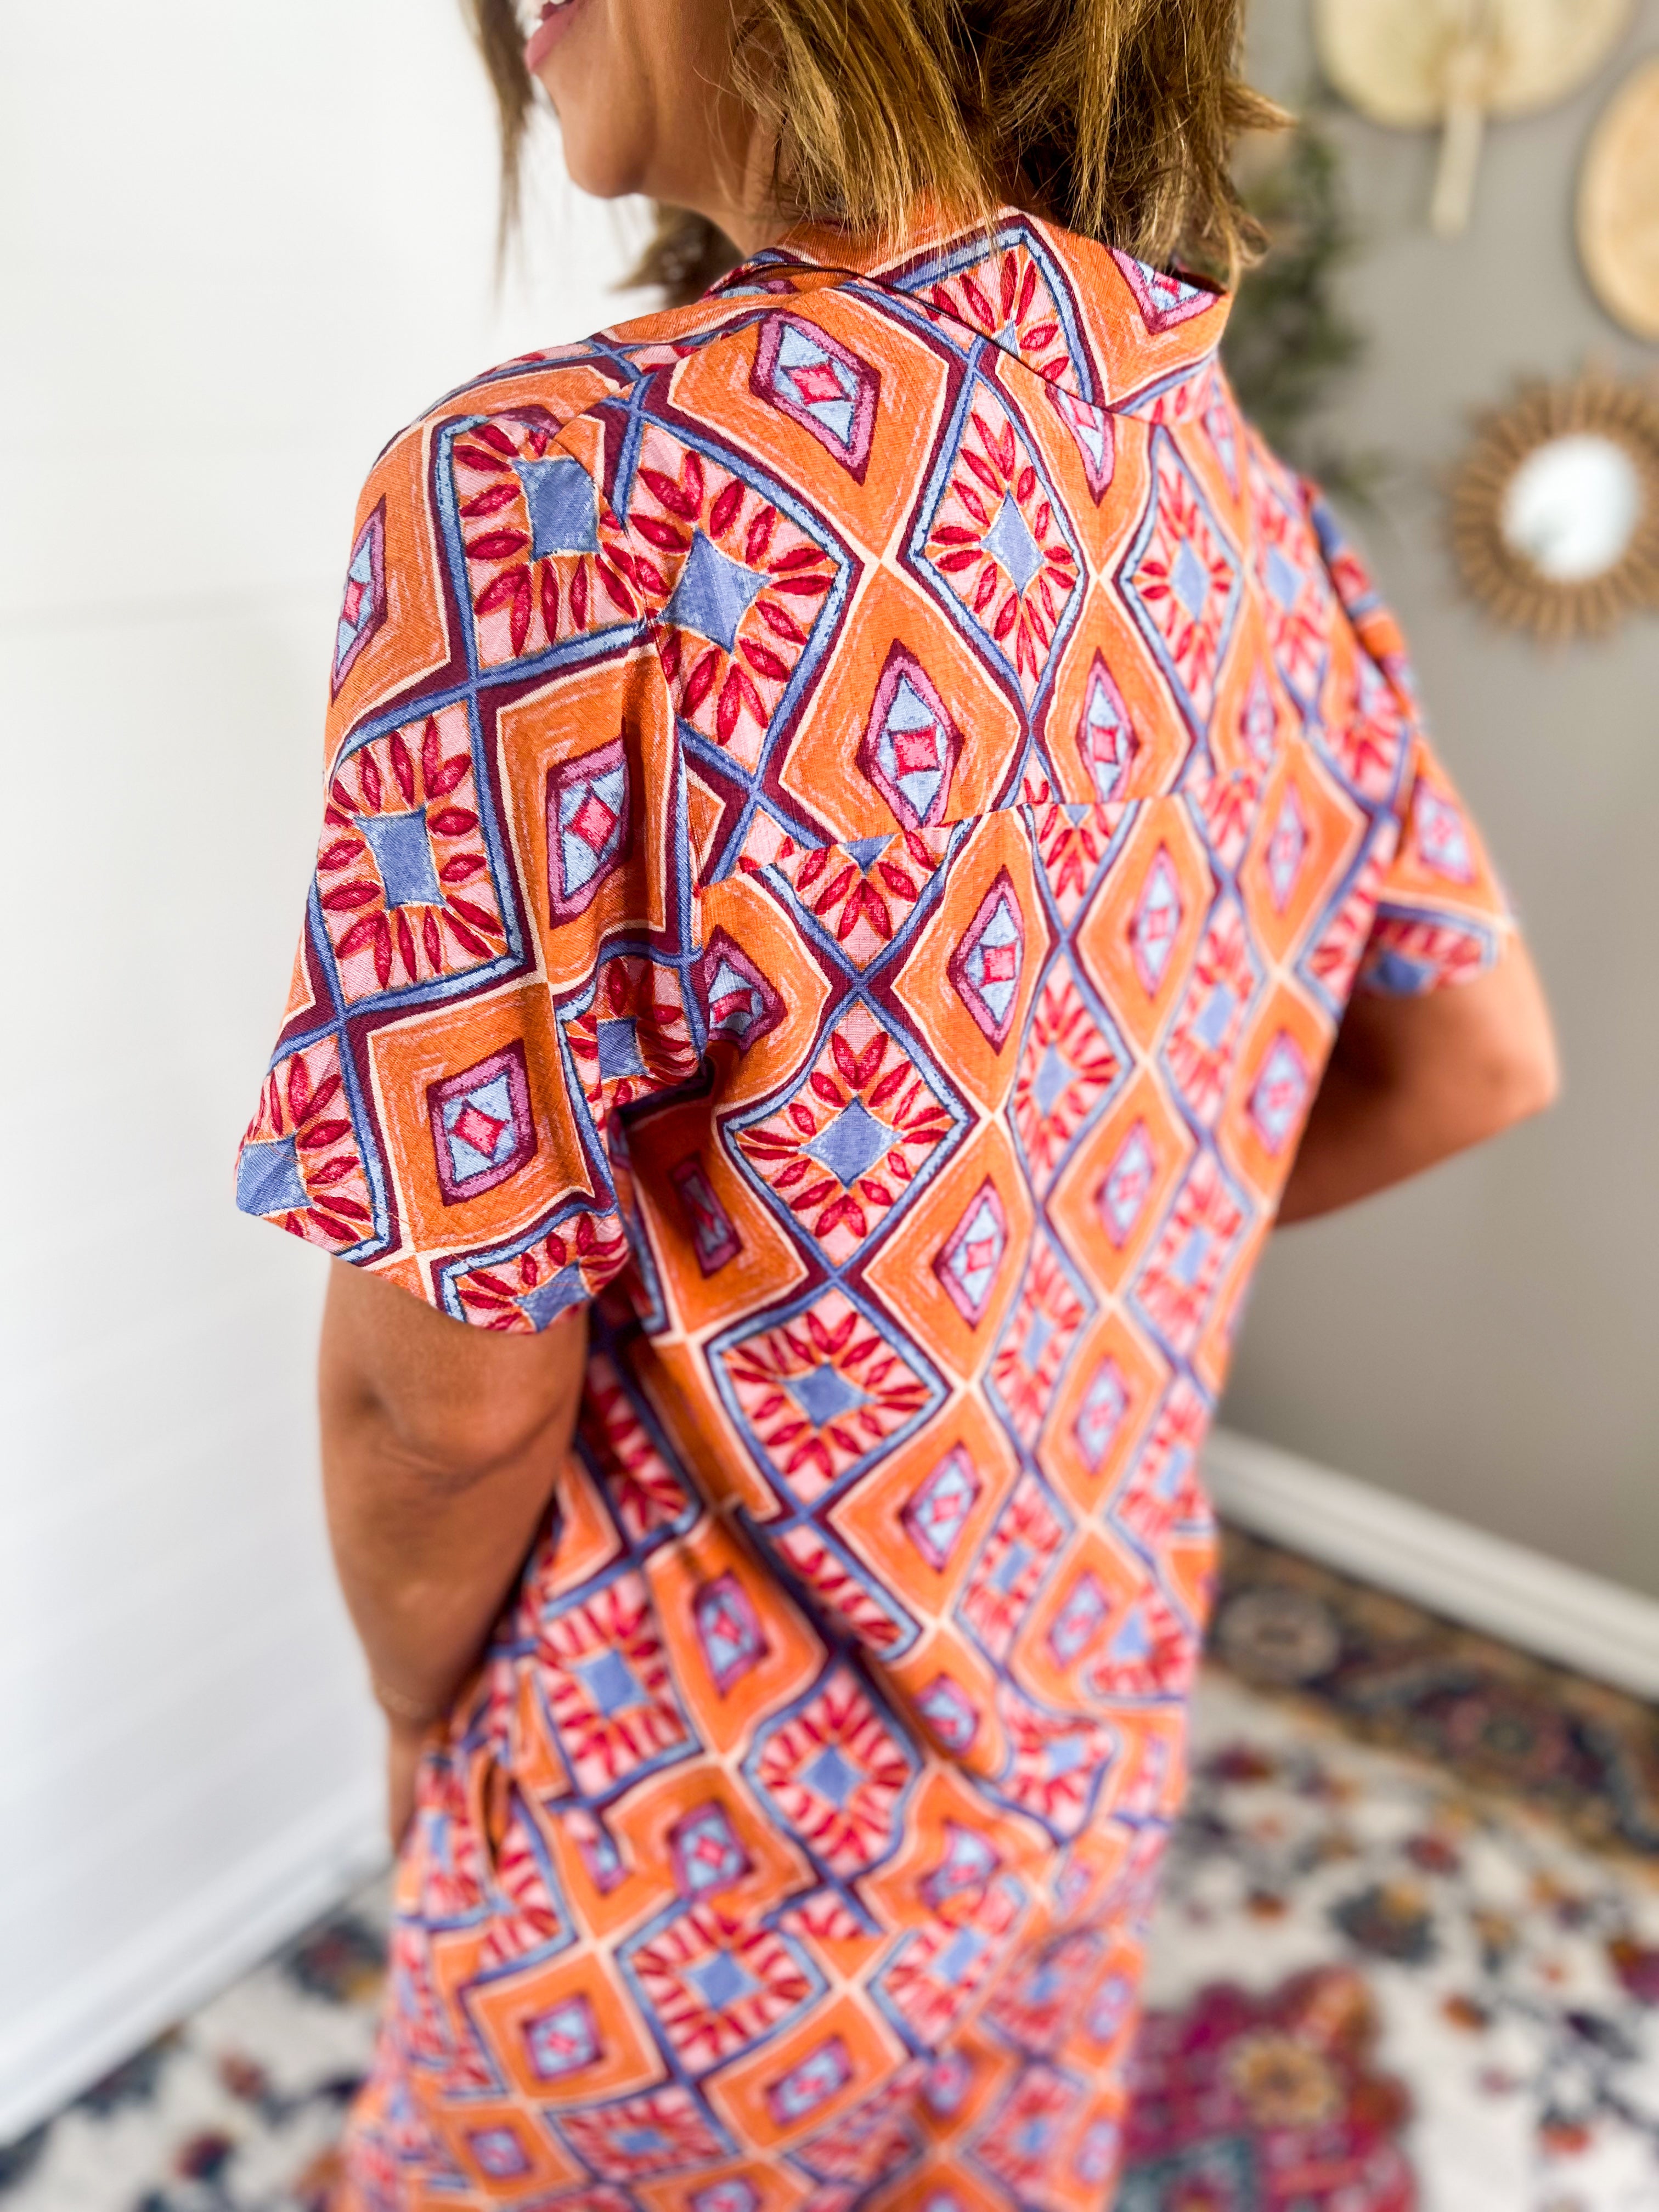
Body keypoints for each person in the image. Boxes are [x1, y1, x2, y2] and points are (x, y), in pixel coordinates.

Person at [234, 0, 1558, 2199]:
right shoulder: (1261, 525)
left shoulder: (564, 500)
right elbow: (1480, 1057)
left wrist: (413, 1717)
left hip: (684, 1850)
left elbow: (441, 1405)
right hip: (1075, 1744)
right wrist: (1038, 1256)